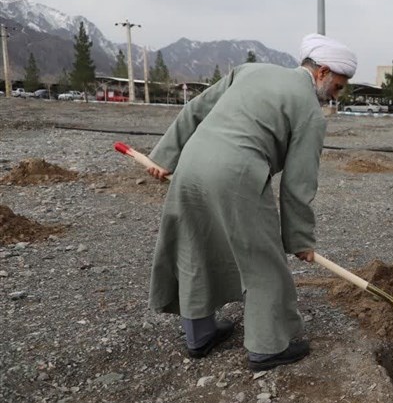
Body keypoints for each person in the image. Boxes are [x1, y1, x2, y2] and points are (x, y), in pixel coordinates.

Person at [144, 34, 356, 372]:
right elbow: (298, 185)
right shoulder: (311, 114)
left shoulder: (250, 71)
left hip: (192, 163)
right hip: (237, 175)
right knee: (263, 260)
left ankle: (199, 335)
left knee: (194, 243)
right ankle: (268, 347)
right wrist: (298, 239)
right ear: (322, 72)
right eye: (339, 86)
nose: (337, 94)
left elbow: (196, 108)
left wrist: (165, 157)